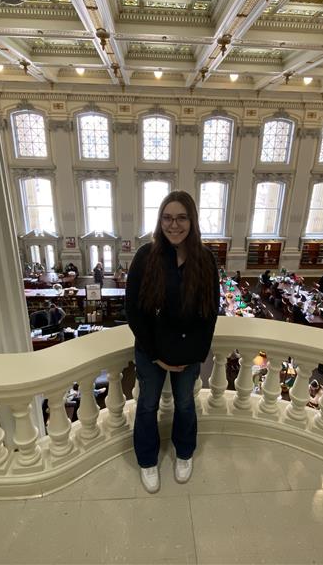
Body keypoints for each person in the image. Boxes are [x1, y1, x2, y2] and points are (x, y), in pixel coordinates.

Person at [126, 190, 219, 494]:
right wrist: (156, 355)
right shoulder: (145, 256)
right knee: (146, 405)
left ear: (191, 220)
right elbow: (134, 312)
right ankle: (147, 460)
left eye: (181, 218)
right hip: (151, 352)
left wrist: (194, 354)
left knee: (185, 404)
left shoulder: (205, 260)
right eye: (167, 218)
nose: (174, 225)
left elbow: (209, 313)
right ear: (160, 221)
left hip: (188, 353)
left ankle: (183, 453)